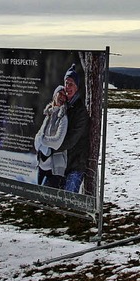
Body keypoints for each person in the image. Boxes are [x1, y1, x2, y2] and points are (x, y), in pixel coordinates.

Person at [52, 63, 89, 193]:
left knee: (69, 201)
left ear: (77, 87)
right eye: (66, 83)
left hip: (75, 165)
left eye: (71, 84)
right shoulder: (65, 107)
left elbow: (71, 139)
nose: (68, 87)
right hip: (62, 165)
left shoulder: (80, 111)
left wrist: (51, 146)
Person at [34, 85, 69, 185]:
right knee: (39, 198)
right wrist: (40, 140)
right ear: (54, 95)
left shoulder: (63, 118)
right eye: (60, 94)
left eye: (64, 96)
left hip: (55, 168)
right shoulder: (48, 115)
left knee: (45, 196)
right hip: (41, 165)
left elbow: (57, 142)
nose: (62, 97)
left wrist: (42, 140)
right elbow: (37, 139)